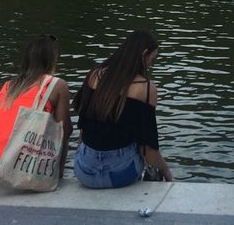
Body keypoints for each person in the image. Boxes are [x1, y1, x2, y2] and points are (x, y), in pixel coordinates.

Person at [72, 30, 173, 188]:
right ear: (144, 54)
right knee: (142, 152)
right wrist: (168, 175)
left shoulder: (95, 75)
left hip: (84, 172)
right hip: (120, 175)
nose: (150, 65)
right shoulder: (145, 89)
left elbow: (83, 127)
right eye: (152, 59)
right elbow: (149, 148)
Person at [0, 35, 72, 182]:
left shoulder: (8, 86)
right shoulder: (56, 85)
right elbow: (63, 132)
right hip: (17, 167)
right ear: (52, 59)